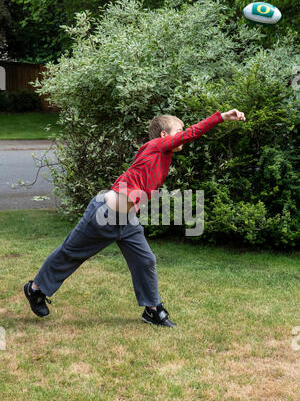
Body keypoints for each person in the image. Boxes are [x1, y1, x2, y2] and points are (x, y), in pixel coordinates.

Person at [24, 108, 246, 327]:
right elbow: (192, 134)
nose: (184, 133)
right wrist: (221, 118)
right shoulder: (156, 146)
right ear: (164, 135)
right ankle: (35, 289)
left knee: (145, 260)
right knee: (71, 253)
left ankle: (152, 309)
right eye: (179, 130)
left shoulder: (163, 155)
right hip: (105, 214)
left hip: (127, 220)